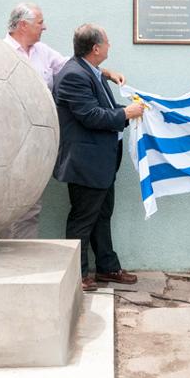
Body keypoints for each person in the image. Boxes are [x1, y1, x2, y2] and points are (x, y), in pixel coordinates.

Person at [0, 3, 125, 239]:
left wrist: (106, 72)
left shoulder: (42, 51)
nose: (44, 27)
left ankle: (26, 258)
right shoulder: (1, 53)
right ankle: (8, 254)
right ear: (23, 25)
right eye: (40, 23)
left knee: (32, 204)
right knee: (11, 201)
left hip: (40, 139)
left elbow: (75, 65)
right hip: (13, 138)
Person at [52, 24, 145, 291]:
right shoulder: (73, 76)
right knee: (82, 219)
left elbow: (104, 108)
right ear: (96, 48)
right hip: (85, 163)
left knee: (102, 215)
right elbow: (91, 116)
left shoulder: (91, 72)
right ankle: (78, 274)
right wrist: (126, 114)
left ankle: (107, 268)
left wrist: (126, 109)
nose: (110, 46)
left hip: (102, 162)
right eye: (107, 42)